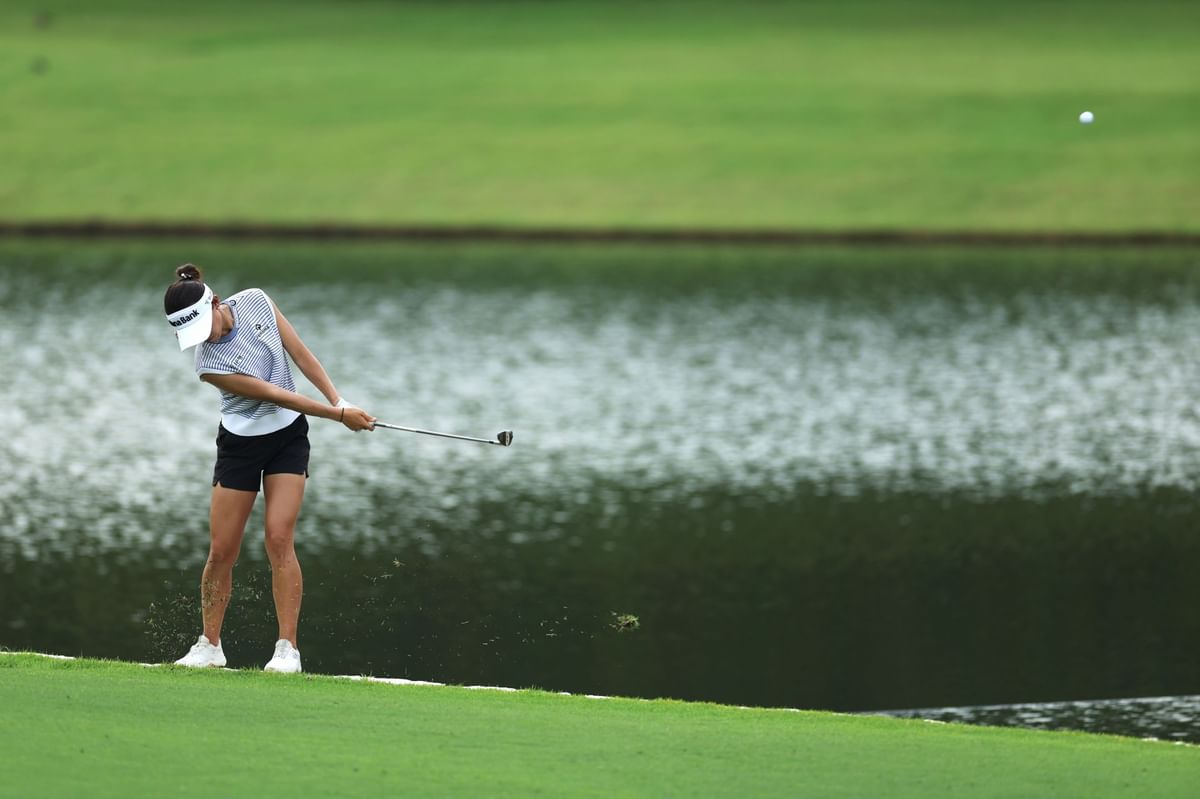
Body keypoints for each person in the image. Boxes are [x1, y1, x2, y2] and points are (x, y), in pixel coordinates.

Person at [162, 264, 375, 673]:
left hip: (287, 440)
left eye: (206, 326)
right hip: (239, 447)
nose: (206, 338)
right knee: (222, 550)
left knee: (279, 539)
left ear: (217, 304)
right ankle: (209, 645)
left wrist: (340, 399)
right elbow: (275, 394)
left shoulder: (257, 301)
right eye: (195, 336)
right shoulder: (208, 366)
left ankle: (287, 650)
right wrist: (337, 415)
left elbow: (300, 353)